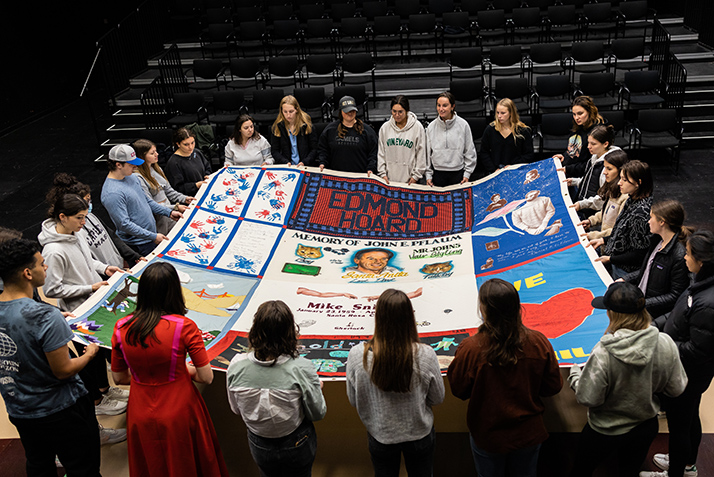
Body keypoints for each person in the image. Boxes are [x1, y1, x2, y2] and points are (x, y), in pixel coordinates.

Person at [111, 261, 229, 477]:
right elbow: (206, 377)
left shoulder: (121, 328)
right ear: (174, 290)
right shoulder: (184, 326)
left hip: (140, 410)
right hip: (180, 409)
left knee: (152, 463)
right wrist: (182, 370)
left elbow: (118, 378)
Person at [0, 238, 102, 476]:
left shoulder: (41, 313)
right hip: (61, 409)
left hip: (20, 408)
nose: (46, 267)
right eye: (41, 264)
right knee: (82, 467)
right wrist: (90, 354)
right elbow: (64, 370)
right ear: (27, 273)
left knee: (38, 462)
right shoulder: (43, 316)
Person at [568, 281, 687, 477]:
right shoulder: (665, 342)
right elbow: (676, 388)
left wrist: (575, 374)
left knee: (581, 470)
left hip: (604, 429)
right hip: (645, 425)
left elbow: (588, 398)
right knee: (629, 471)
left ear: (611, 314)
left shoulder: (603, 352)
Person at [447, 278, 562, 477]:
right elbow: (552, 386)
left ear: (484, 309)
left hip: (488, 435)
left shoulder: (471, 348)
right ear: (517, 307)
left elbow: (459, 389)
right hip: (528, 433)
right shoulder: (537, 342)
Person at [346, 289, 444, 477]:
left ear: (378, 317)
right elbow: (437, 398)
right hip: (419, 434)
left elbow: (354, 400)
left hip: (380, 434)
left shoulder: (357, 355)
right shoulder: (425, 355)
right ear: (409, 317)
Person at [641, 230, 714, 477]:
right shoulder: (700, 283)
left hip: (687, 375)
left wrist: (660, 341)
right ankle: (688, 464)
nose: (684, 257)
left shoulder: (708, 303)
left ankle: (676, 472)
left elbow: (697, 350)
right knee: (690, 417)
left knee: (680, 426)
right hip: (688, 373)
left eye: (689, 254)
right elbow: (678, 314)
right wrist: (656, 325)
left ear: (702, 261)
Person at [226, 300, 326, 477]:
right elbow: (317, 412)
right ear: (290, 332)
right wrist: (315, 388)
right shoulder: (302, 368)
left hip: (259, 443)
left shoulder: (235, 365)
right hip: (296, 441)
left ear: (255, 330)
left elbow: (236, 408)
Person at [38, 193, 122, 312]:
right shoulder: (53, 252)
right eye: (79, 217)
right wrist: (89, 288)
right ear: (62, 217)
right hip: (81, 308)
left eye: (85, 217)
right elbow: (51, 289)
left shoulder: (78, 233)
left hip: (99, 297)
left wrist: (104, 268)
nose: (83, 222)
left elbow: (85, 260)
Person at [46, 173, 142, 268]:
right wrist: (104, 271)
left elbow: (111, 236)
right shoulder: (74, 231)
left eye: (89, 200)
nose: (89, 205)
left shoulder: (91, 216)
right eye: (86, 202)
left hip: (115, 269)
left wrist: (132, 256)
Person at [102, 144, 182, 256]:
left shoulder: (133, 177)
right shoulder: (112, 193)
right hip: (138, 245)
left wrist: (169, 212)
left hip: (150, 237)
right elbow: (124, 224)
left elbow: (147, 202)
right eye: (131, 164)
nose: (135, 167)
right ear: (118, 165)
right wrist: (152, 236)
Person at [620, 200, 691, 318]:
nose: (648, 221)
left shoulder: (678, 255)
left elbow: (675, 295)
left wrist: (642, 303)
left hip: (653, 314)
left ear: (662, 222)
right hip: (642, 305)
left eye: (651, 217)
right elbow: (648, 270)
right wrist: (625, 279)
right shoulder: (656, 241)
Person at [590, 160, 654, 279]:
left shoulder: (640, 214)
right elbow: (623, 234)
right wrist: (604, 240)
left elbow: (639, 253)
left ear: (638, 183)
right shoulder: (631, 198)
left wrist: (610, 259)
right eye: (620, 178)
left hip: (624, 270)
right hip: (617, 261)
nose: (619, 183)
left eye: (625, 180)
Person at [133, 139, 192, 235]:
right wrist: (176, 207)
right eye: (152, 153)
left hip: (170, 216)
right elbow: (150, 205)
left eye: (156, 151)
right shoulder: (137, 177)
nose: (157, 154)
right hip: (159, 223)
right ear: (142, 156)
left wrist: (185, 199)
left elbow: (169, 192)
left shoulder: (157, 169)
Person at [426, 92, 477, 187]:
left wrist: (467, 174)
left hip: (458, 173)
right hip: (437, 174)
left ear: (452, 106)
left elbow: (469, 151)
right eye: (438, 105)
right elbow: (427, 154)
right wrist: (428, 175)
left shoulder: (463, 125)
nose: (441, 109)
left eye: (445, 106)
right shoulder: (431, 127)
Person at [568, 124, 620, 217]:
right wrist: (575, 181)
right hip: (585, 206)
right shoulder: (595, 157)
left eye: (593, 144)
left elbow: (603, 197)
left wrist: (582, 204)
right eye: (588, 143)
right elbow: (591, 182)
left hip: (593, 212)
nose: (588, 147)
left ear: (605, 144)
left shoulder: (607, 166)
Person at [578, 149, 629, 241]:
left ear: (621, 171)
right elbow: (607, 213)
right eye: (604, 168)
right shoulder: (612, 189)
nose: (604, 172)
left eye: (609, 169)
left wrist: (593, 236)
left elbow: (617, 230)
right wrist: (592, 221)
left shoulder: (625, 197)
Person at [318, 96, 378, 174]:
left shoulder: (367, 131)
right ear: (340, 111)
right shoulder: (330, 130)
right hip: (336, 176)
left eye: (352, 110)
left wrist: (371, 168)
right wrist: (322, 162)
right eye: (347, 111)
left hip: (360, 177)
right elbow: (323, 149)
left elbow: (373, 153)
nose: (350, 113)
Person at [377, 95, 427, 185]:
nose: (397, 115)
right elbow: (381, 154)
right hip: (389, 180)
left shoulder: (417, 127)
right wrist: (382, 174)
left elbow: (421, 153)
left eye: (400, 112)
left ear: (407, 111)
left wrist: (416, 176)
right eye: (394, 111)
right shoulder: (385, 128)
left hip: (411, 181)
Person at [553, 96, 606, 178]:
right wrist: (564, 156)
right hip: (570, 170)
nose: (576, 118)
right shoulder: (578, 126)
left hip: (582, 177)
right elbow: (572, 149)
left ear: (589, 112)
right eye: (574, 114)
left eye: (580, 114)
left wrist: (568, 169)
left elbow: (591, 164)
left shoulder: (597, 133)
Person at [480, 98, 533, 175]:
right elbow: (484, 152)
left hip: (516, 171)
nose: (499, 116)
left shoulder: (522, 131)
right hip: (495, 171)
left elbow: (529, 155)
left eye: (503, 113)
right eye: (497, 113)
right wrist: (494, 169)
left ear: (511, 113)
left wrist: (513, 166)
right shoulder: (490, 129)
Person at [271, 95, 318, 166]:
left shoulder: (307, 125)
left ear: (297, 110)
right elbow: (275, 151)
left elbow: (314, 149)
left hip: (305, 165)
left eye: (291, 111)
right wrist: (285, 162)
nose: (288, 115)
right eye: (285, 112)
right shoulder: (277, 127)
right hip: (287, 165)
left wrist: (304, 162)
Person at [165, 127, 213, 196]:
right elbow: (177, 188)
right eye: (186, 144)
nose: (191, 147)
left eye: (192, 143)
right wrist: (195, 185)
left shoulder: (196, 152)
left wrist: (207, 175)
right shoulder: (173, 163)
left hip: (204, 190)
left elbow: (207, 166)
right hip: (191, 197)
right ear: (178, 144)